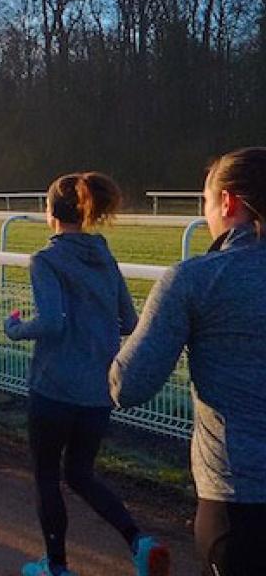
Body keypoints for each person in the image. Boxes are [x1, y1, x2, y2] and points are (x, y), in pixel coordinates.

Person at [2, 173, 168, 576]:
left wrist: (15, 329)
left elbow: (54, 322)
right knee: (79, 473)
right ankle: (138, 542)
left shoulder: (46, 259)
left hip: (54, 388)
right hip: (98, 390)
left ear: (51, 214)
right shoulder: (104, 257)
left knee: (46, 475)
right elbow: (129, 320)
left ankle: (56, 567)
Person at [112, 147, 266, 576]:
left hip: (239, 503)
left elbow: (128, 386)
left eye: (206, 202)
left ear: (229, 202)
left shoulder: (196, 279)